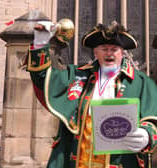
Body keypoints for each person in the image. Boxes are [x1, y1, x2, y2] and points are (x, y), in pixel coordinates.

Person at [26, 19, 157, 168]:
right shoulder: (76, 75)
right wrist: (40, 43)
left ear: (122, 53)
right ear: (95, 52)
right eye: (104, 48)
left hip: (120, 162)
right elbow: (43, 78)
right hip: (79, 159)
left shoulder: (142, 82)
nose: (109, 53)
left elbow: (153, 119)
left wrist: (147, 135)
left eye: (114, 49)